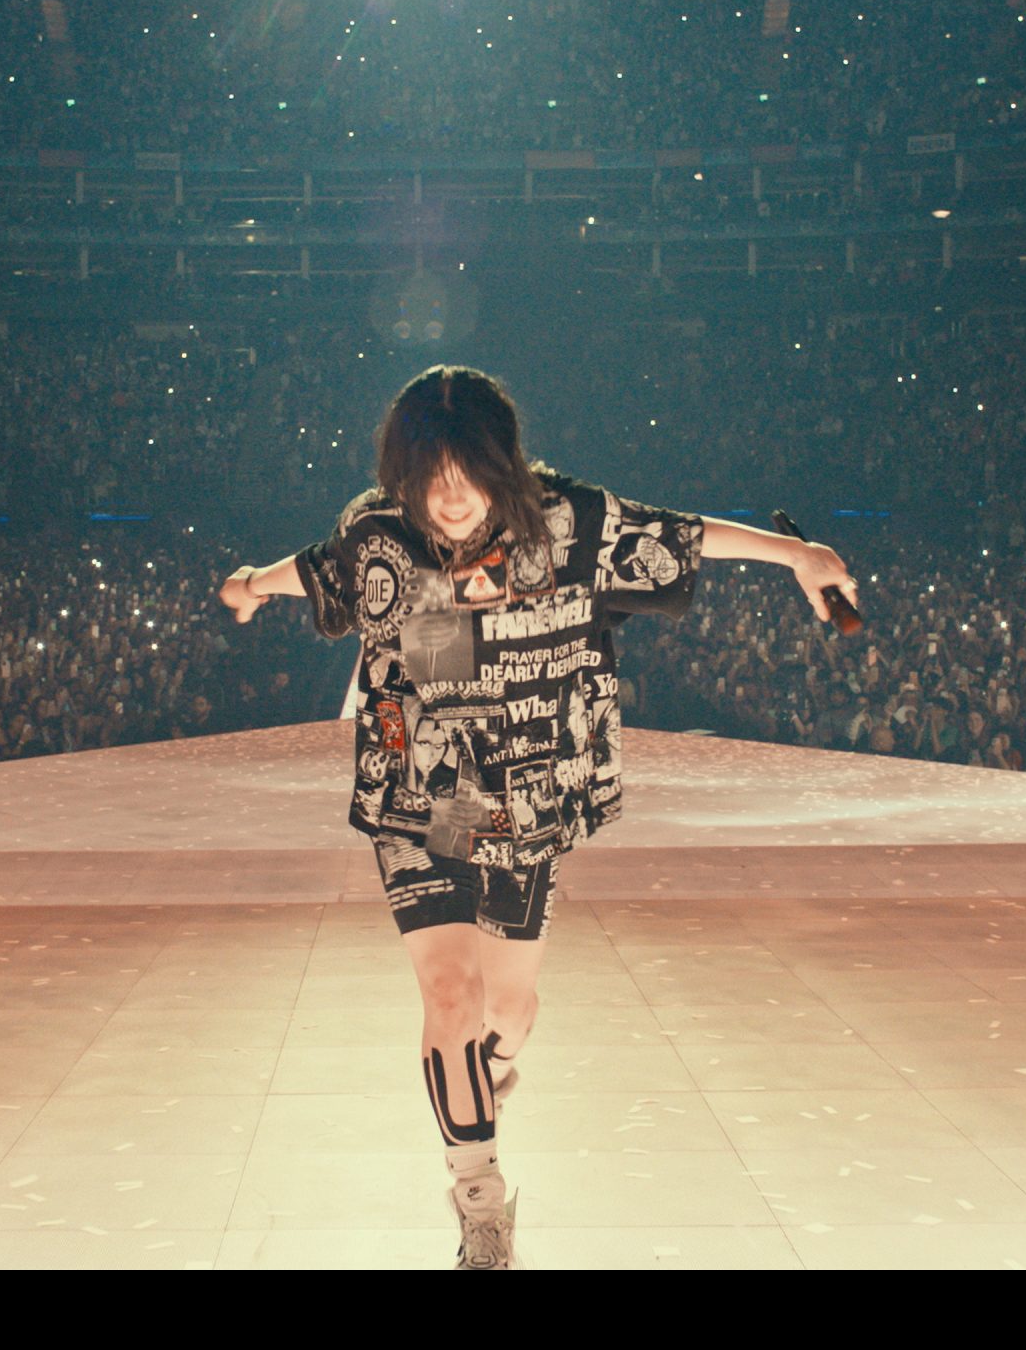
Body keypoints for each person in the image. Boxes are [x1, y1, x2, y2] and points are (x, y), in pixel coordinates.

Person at [217, 364, 856, 1270]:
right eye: (430, 477)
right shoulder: (377, 532)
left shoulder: (564, 522)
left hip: (525, 796)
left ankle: (488, 1068)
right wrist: (251, 582)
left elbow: (681, 534)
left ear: (501, 466)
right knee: (451, 994)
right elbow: (317, 569)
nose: (450, 497)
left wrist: (799, 556)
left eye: (467, 474)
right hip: (417, 790)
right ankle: (481, 1210)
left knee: (508, 1010)